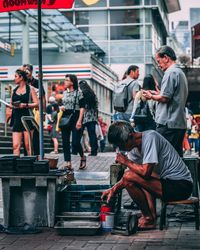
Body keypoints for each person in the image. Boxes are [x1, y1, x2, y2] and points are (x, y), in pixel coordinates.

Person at [101, 121, 193, 230]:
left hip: (181, 186)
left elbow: (146, 172)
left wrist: (126, 162)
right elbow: (134, 177)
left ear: (130, 136)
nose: (122, 149)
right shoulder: (133, 149)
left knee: (132, 175)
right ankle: (150, 216)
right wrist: (113, 189)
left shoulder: (150, 137)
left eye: (122, 145)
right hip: (165, 183)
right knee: (130, 178)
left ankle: (148, 218)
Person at [143, 46, 188, 157]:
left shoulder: (170, 73)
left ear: (166, 58)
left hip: (168, 124)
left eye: (159, 61)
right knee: (176, 158)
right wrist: (156, 94)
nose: (158, 65)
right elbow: (170, 96)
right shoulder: (179, 72)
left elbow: (165, 98)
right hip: (177, 123)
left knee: (164, 157)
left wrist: (151, 96)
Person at [60, 74, 86, 170]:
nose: (65, 82)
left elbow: (83, 108)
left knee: (75, 142)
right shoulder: (64, 93)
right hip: (65, 116)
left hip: (76, 116)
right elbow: (62, 104)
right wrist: (62, 107)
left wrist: (79, 121)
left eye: (67, 80)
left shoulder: (79, 93)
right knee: (65, 141)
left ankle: (82, 156)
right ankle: (68, 162)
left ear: (72, 82)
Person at [10, 69, 39, 156]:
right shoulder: (14, 91)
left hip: (27, 118)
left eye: (15, 76)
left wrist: (26, 105)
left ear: (21, 77)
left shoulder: (30, 89)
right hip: (16, 118)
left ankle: (30, 166)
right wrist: (12, 106)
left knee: (28, 145)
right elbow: (12, 104)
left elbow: (37, 103)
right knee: (15, 146)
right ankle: (16, 167)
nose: (14, 79)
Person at [22, 64, 46, 156]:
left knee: (36, 135)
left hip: (36, 112)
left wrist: (43, 112)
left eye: (27, 70)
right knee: (26, 135)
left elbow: (43, 97)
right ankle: (26, 156)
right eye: (23, 70)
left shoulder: (37, 82)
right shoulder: (23, 82)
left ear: (31, 71)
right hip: (26, 112)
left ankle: (37, 155)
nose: (25, 72)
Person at [79, 80, 99, 156]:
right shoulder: (93, 94)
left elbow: (81, 106)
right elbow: (96, 105)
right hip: (92, 117)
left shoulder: (82, 94)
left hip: (84, 116)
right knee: (92, 134)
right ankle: (94, 151)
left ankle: (75, 149)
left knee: (79, 133)